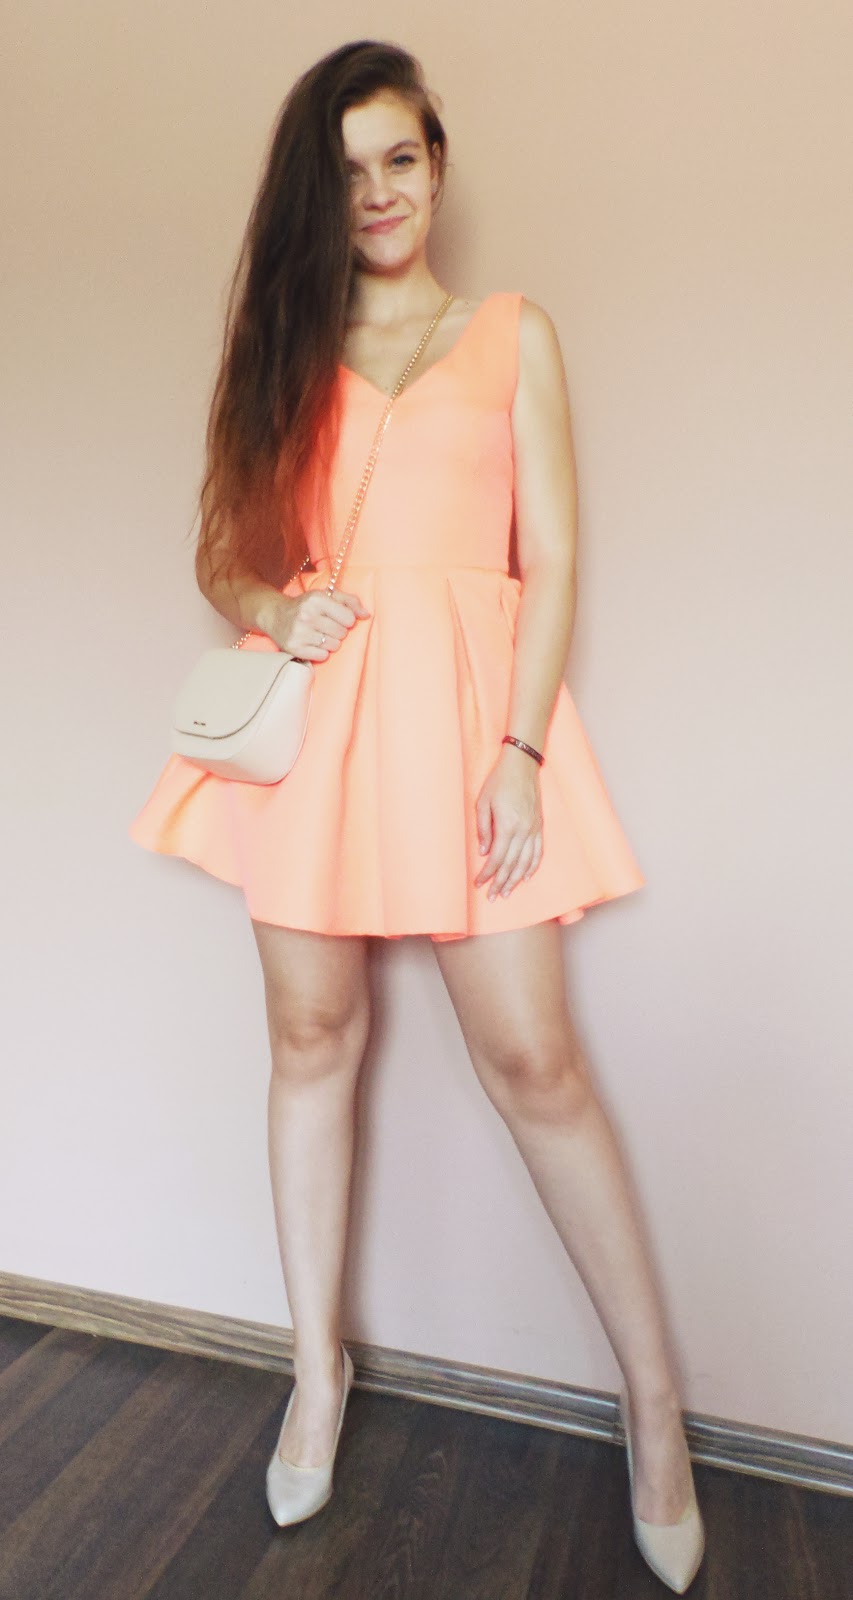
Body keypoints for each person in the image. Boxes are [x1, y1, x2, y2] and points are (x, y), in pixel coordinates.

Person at [128, 39, 705, 1592]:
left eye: (399, 158)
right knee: (311, 1040)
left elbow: (552, 559)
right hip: (322, 729)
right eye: (346, 172)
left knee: (534, 1062)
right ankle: (316, 1376)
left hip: (467, 722)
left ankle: (654, 1414)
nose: (377, 192)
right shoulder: (283, 343)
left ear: (436, 163)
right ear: (313, 197)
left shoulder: (511, 333)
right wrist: (276, 607)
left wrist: (516, 751)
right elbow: (223, 556)